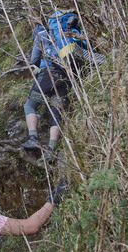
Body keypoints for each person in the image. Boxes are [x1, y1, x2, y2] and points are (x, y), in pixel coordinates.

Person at [21, 11, 105, 161]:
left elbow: (34, 59)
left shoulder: (42, 34)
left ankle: (33, 138)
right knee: (56, 112)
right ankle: (51, 149)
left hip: (49, 73)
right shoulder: (70, 33)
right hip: (68, 77)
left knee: (29, 105)